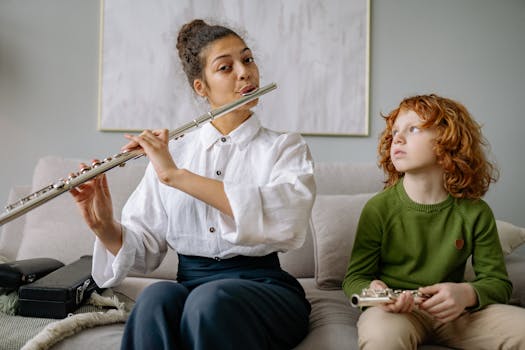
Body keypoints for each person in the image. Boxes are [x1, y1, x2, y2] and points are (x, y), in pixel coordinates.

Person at [71, 19, 315, 350]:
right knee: (156, 298)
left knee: (209, 301)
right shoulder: (176, 152)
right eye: (226, 67)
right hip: (193, 286)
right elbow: (143, 247)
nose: (244, 73)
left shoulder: (285, 147)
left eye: (247, 59)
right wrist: (104, 227)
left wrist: (176, 176)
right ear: (201, 87)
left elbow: (288, 219)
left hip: (265, 288)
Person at [342, 94, 525, 349]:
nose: (398, 137)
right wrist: (375, 292)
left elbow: (498, 283)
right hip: (395, 313)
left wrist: (466, 294)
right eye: (395, 131)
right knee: (381, 338)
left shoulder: (476, 212)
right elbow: (355, 278)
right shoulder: (378, 209)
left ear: (448, 141)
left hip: (457, 314)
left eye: (413, 129)